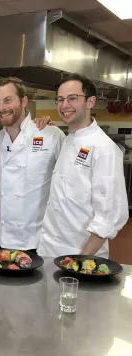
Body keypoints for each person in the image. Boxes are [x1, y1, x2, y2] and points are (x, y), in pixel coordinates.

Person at [38, 73, 129, 258]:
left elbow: (110, 216)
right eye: (60, 99)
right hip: (49, 249)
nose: (64, 105)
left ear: (90, 102)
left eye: (73, 98)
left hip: (79, 255)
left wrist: (80, 260)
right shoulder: (68, 140)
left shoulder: (104, 149)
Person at [0, 77, 65, 252]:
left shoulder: (51, 135)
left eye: (8, 100)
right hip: (1, 239)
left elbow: (66, 186)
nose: (2, 108)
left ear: (24, 101)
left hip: (37, 241)